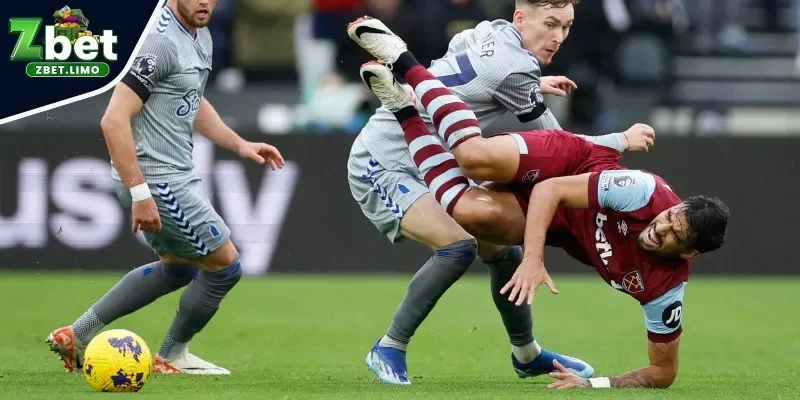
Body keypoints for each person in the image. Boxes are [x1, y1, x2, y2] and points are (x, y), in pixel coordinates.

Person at [358, 57, 729, 390]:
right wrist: (533, 259)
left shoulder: (665, 291)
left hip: (561, 224)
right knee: (473, 165)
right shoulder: (643, 193)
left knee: (485, 227)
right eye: (668, 219)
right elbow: (550, 191)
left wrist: (596, 385)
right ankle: (405, 72)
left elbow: (663, 373)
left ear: (689, 251)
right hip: (568, 168)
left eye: (672, 235)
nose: (658, 228)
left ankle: (526, 354)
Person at [345, 0, 657, 385]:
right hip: (385, 160)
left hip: (433, 158)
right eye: (551, 24)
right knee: (457, 247)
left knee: (505, 249)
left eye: (567, 26)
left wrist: (530, 87)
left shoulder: (487, 30)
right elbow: (559, 146)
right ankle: (390, 346)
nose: (558, 37)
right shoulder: (516, 70)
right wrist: (620, 139)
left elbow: (462, 72)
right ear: (521, 18)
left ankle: (526, 355)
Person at [45, 0, 285, 375]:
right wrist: (141, 194)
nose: (205, 2)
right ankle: (172, 355)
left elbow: (190, 96)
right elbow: (113, 120)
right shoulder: (158, 41)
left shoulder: (199, 33)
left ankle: (76, 334)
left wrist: (239, 144)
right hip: (160, 181)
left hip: (166, 179)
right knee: (225, 267)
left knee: (180, 267)